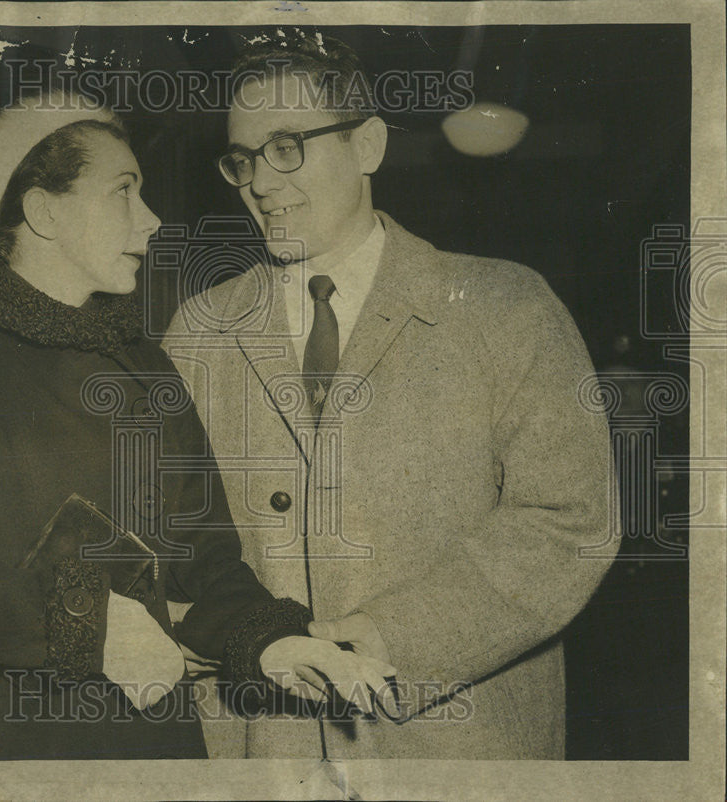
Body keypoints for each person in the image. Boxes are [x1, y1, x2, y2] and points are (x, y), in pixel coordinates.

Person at [0, 90, 395, 761]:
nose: (153, 221)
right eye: (124, 193)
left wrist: (276, 642)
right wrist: (90, 626)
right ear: (43, 212)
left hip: (149, 743)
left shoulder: (148, 369)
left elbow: (208, 565)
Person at [162, 33, 620, 759]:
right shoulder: (199, 331)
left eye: (287, 146)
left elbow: (569, 520)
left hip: (453, 746)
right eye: (243, 159)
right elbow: (164, 534)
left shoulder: (506, 307)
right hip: (264, 748)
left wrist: (394, 635)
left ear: (368, 145)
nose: (260, 181)